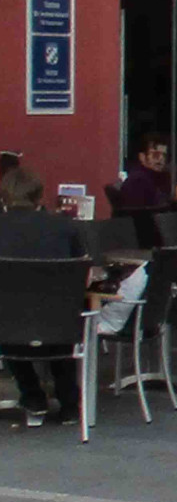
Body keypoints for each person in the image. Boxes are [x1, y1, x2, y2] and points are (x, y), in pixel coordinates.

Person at [0, 168, 87, 426]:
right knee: (60, 307)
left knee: (11, 315)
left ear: (3, 197)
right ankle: (69, 402)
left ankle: (32, 394)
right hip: (61, 327)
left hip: (7, 329)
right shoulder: (66, 227)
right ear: (40, 197)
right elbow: (79, 272)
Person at [118, 134, 171, 209]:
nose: (161, 159)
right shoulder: (137, 182)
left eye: (165, 156)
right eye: (155, 154)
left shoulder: (160, 179)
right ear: (142, 157)